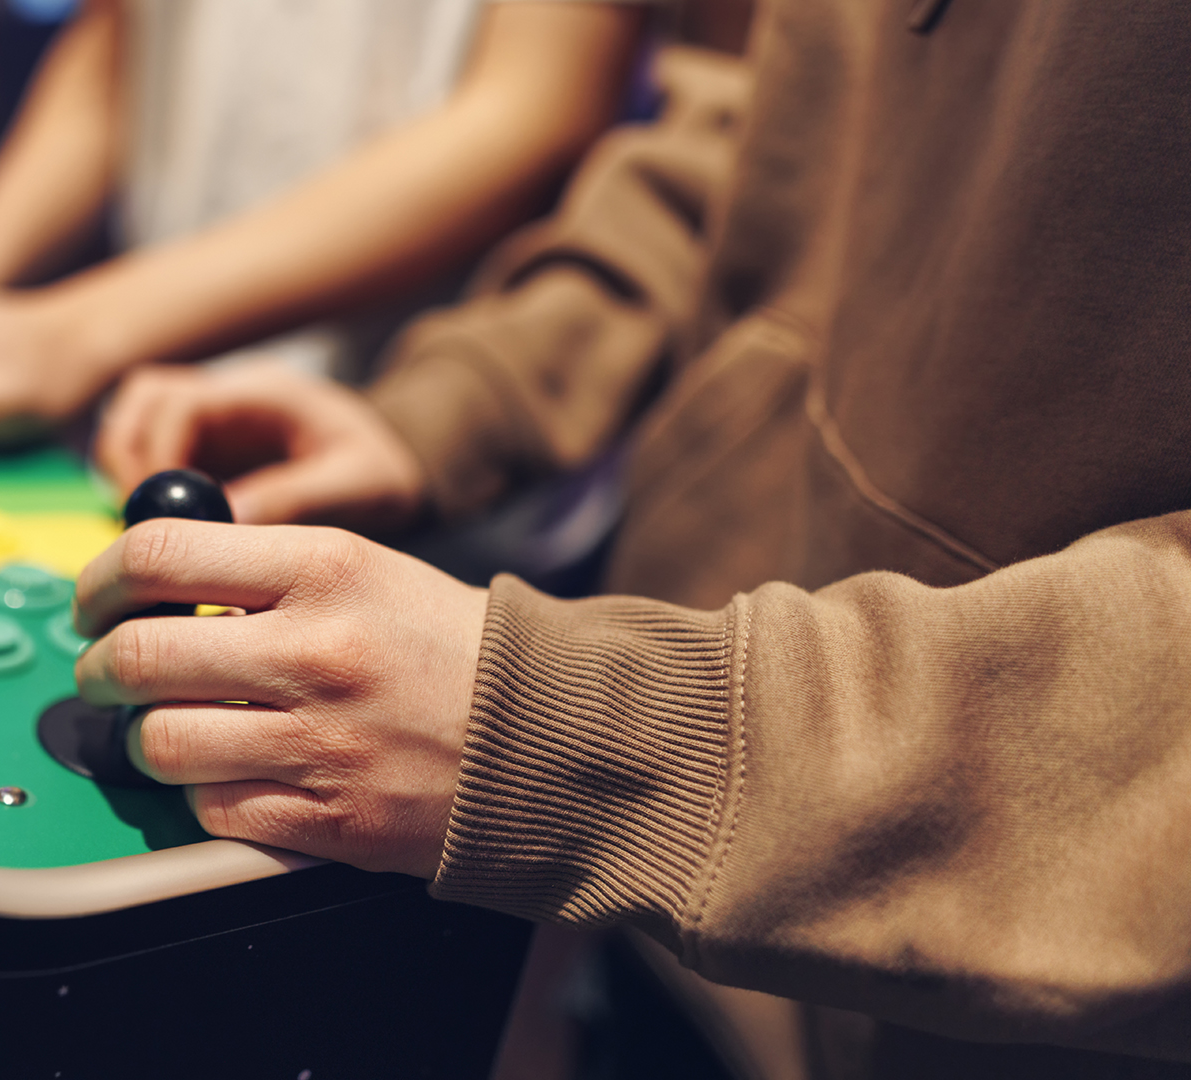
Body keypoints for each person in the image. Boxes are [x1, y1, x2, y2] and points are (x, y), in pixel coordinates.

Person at [77, 3, 1191, 1077]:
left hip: (1006, 1020)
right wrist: (465, 401)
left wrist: (596, 732)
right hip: (668, 924)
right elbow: (753, 135)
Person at [0, 0, 660, 447]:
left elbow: (532, 107)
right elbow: (122, 39)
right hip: (149, 401)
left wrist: (77, 326)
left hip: (434, 439)